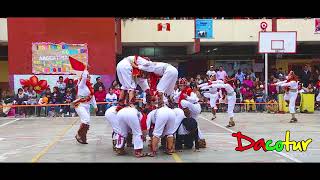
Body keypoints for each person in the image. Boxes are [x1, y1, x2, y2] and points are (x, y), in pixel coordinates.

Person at [73, 69, 98, 144]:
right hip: (80, 105)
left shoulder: (90, 87)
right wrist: (85, 69)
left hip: (87, 106)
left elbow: (92, 97)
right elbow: (84, 77)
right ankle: (78, 135)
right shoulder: (81, 85)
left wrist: (95, 106)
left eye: (89, 77)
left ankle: (83, 138)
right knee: (86, 119)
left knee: (87, 122)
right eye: (88, 76)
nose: (89, 77)